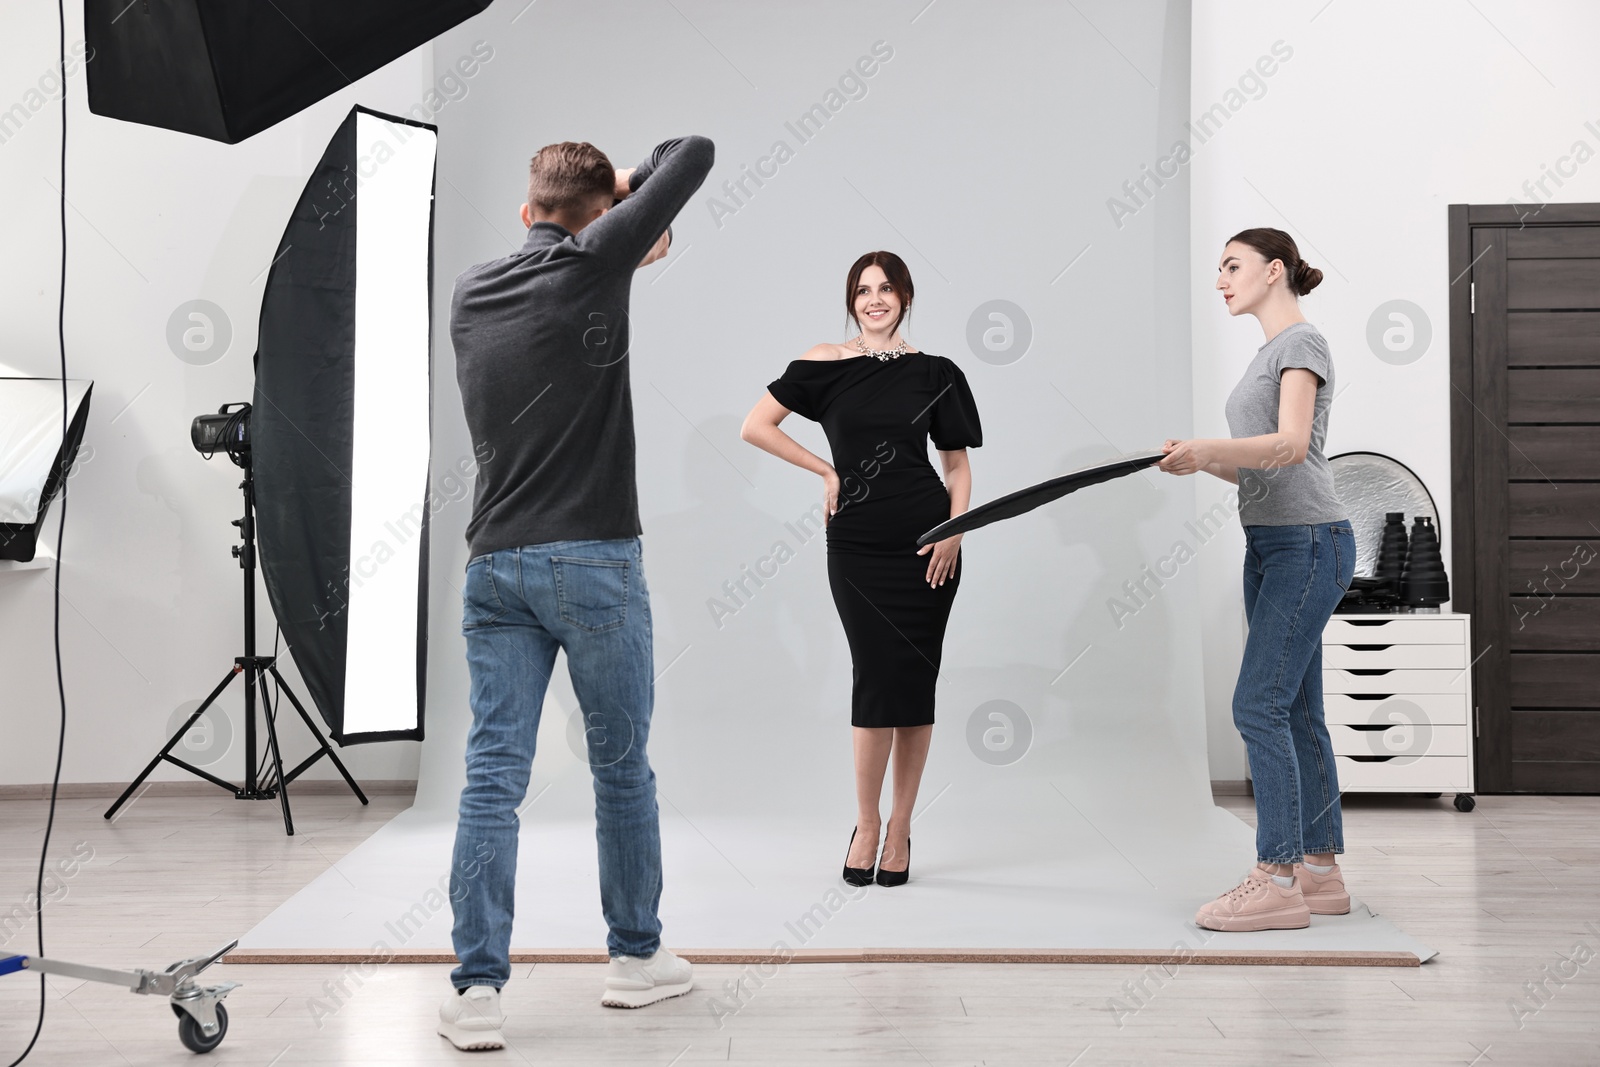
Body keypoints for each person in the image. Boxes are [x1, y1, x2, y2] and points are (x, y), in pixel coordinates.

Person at [439, 134, 714, 1051]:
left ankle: (475, 994)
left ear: (525, 212)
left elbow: (591, 221)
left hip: (495, 565)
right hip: (593, 560)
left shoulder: (472, 291)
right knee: (620, 769)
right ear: (604, 219)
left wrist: (610, 211)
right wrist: (627, 197)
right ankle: (636, 960)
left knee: (491, 778)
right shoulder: (600, 259)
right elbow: (697, 149)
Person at [740, 251, 982, 889]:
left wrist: (955, 530)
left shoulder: (937, 372)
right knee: (876, 679)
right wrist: (826, 470)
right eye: (863, 290)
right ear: (852, 300)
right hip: (857, 545)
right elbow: (755, 425)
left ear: (906, 296)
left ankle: (901, 825)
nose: (875, 299)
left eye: (887, 288)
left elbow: (956, 467)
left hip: (929, 538)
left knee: (914, 683)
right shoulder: (824, 362)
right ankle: (866, 823)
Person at [1159, 227, 1356, 932]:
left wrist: (1212, 444)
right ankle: (1321, 873)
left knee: (1257, 706)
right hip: (1274, 545)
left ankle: (1275, 878)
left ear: (1275, 272)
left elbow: (1291, 444)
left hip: (1307, 544)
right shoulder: (1267, 354)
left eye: (1231, 266)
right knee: (1296, 711)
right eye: (1218, 268)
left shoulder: (1300, 344)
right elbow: (1260, 465)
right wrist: (1198, 459)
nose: (1220, 279)